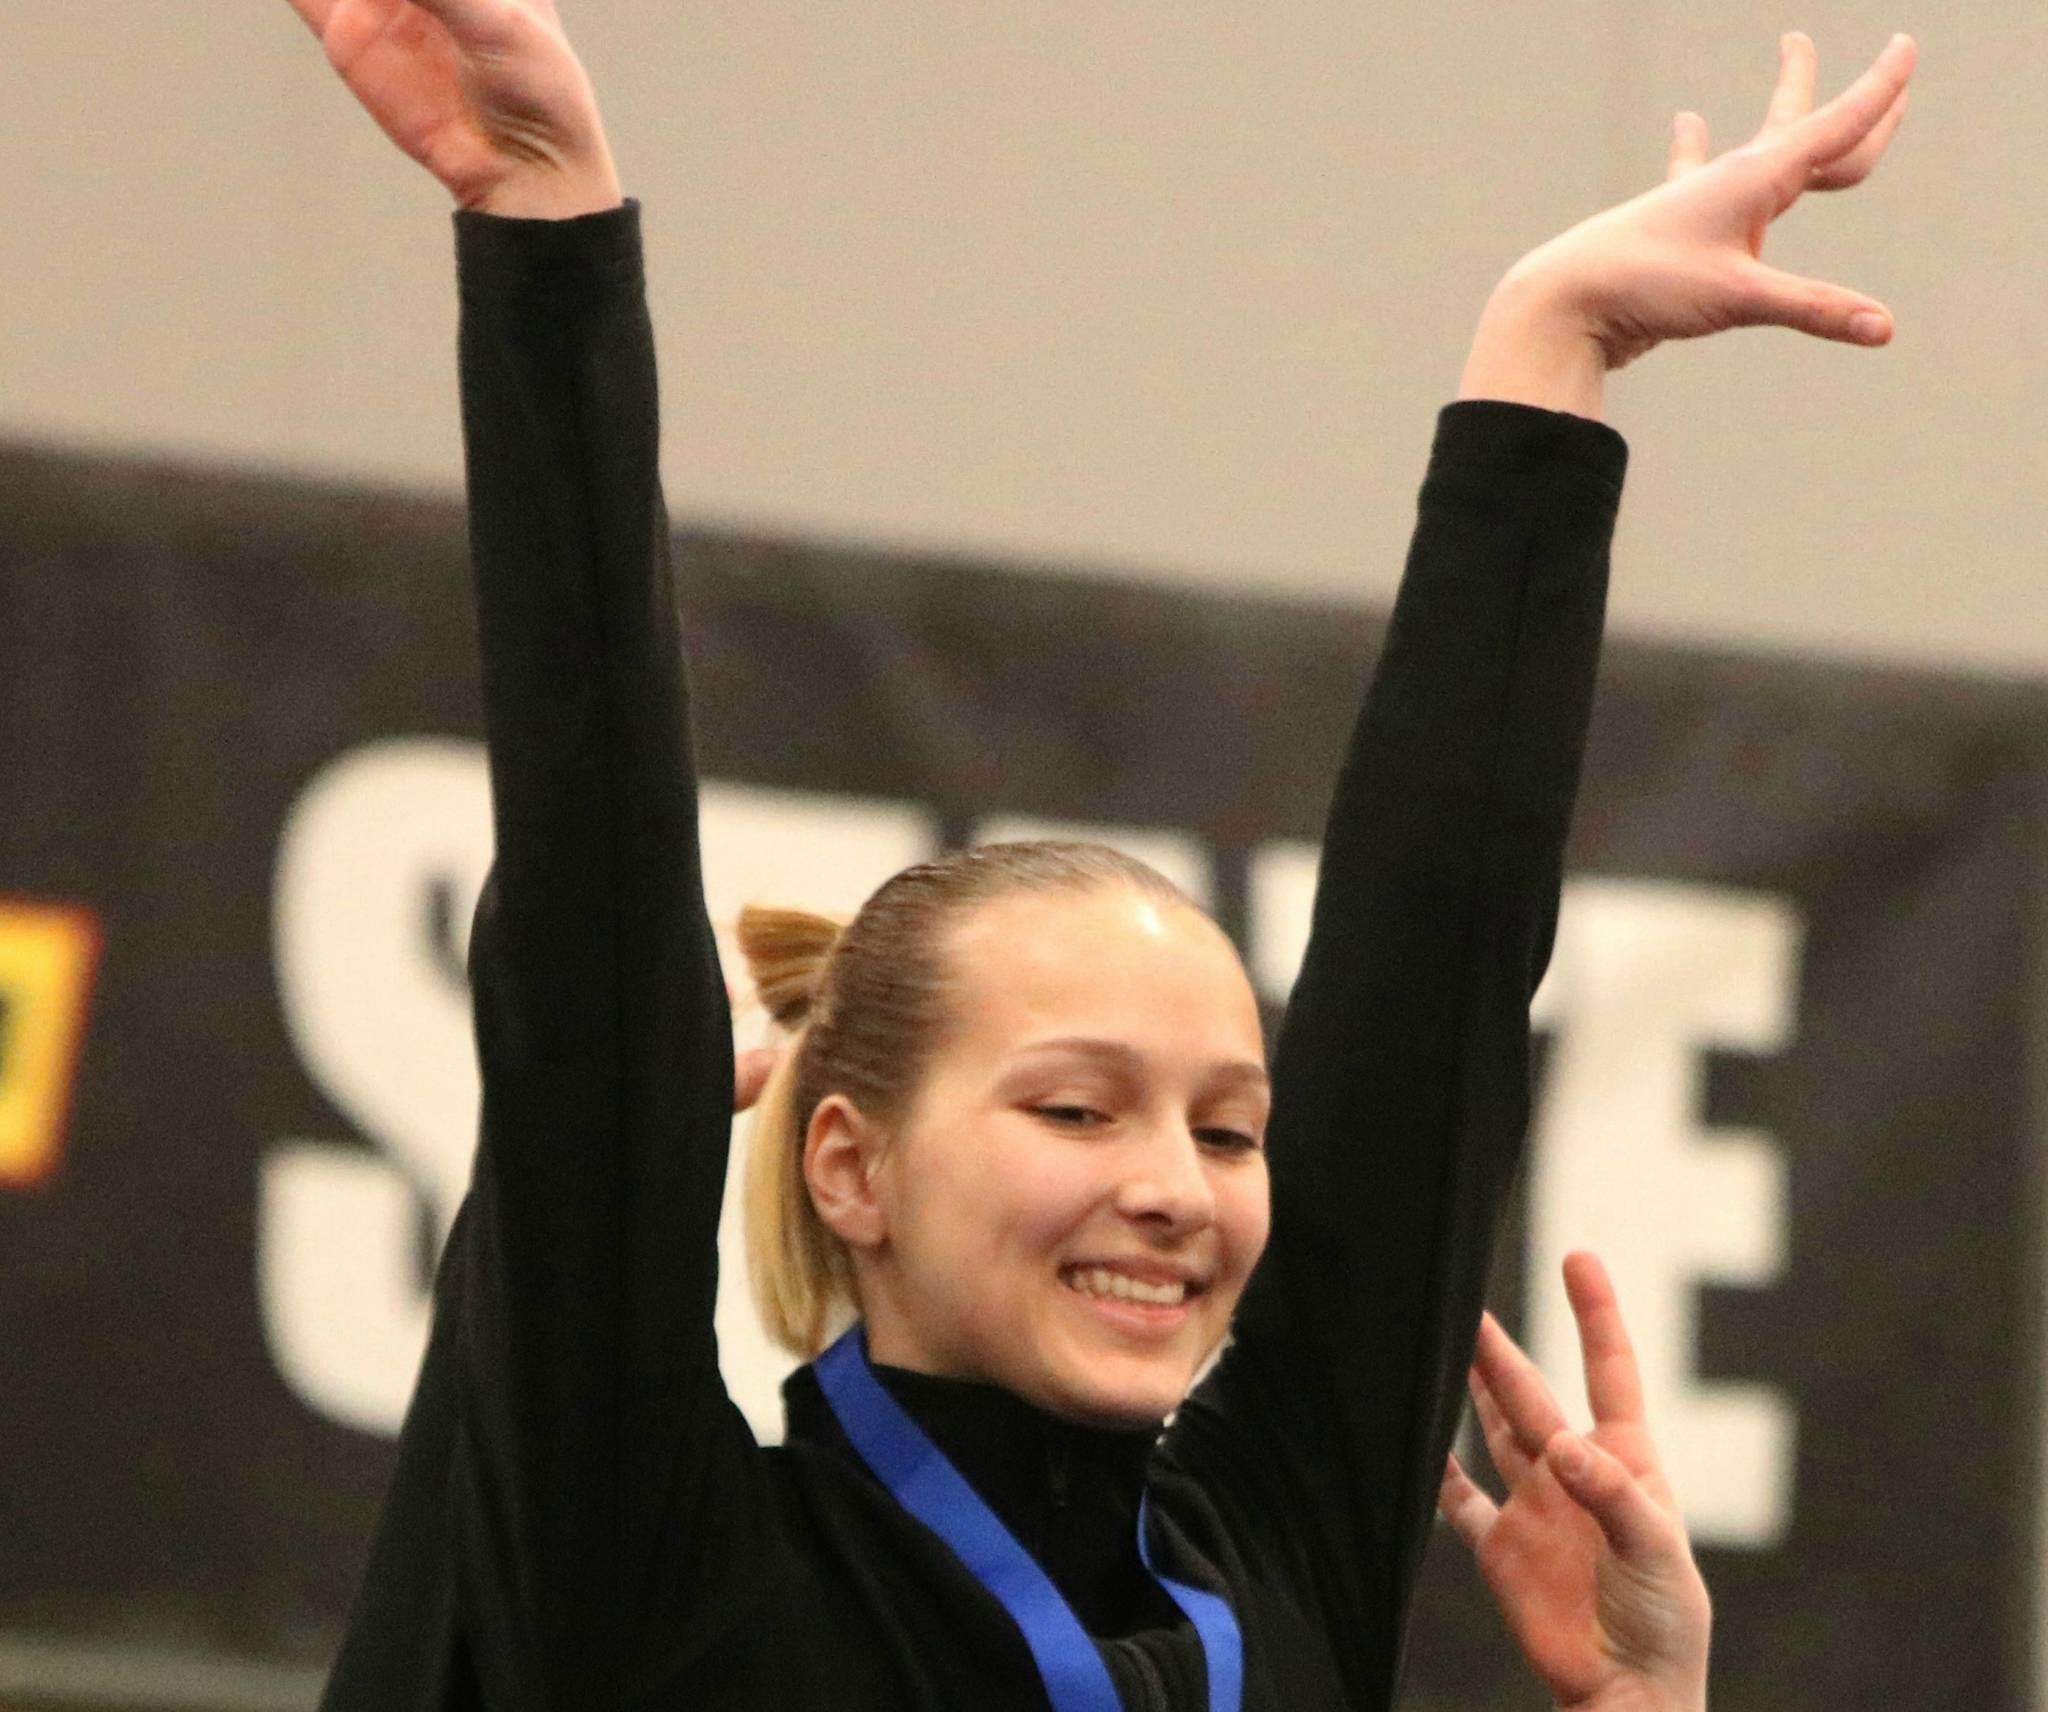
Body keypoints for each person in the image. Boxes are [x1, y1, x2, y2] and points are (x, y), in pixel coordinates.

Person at [281, 5, 1911, 1707]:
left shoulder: (1274, 1568)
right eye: (1075, 1107)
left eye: (1228, 1129)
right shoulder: (663, 1562)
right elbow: (594, 909)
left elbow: (1434, 979)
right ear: (851, 1169)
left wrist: (1550, 342)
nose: (1174, 1186)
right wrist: (546, 220)